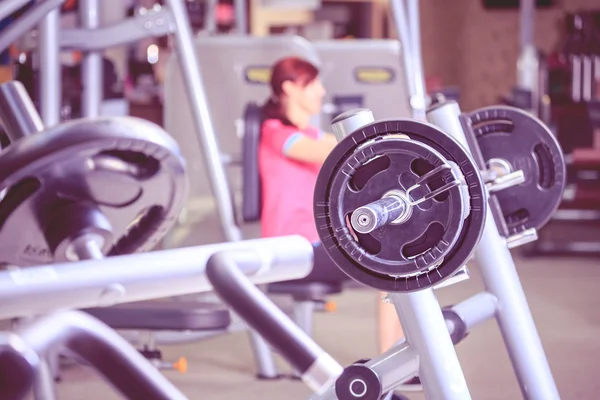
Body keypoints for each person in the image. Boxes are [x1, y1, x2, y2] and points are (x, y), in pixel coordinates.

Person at [258, 56, 421, 393]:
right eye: (312, 84)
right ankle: (392, 360)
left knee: (395, 259)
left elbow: (339, 156)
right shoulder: (275, 133)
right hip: (294, 250)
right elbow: (322, 151)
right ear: (289, 88)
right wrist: (377, 137)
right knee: (388, 265)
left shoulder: (311, 132)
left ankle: (398, 357)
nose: (321, 91)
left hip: (319, 245)